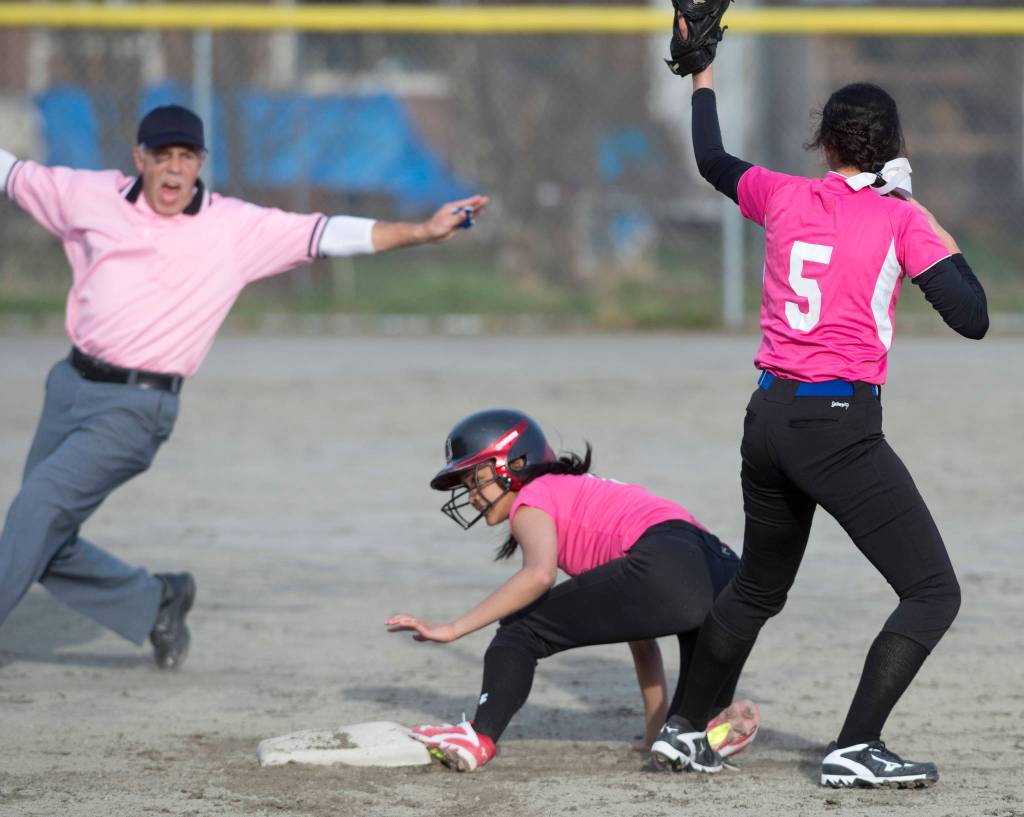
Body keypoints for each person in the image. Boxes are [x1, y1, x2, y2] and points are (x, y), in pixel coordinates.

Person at [0, 103, 488, 669]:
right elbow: (11, 172)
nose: (175, 169)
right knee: (39, 535)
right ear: (140, 159)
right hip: (68, 386)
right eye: (163, 156)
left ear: (201, 162)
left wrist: (421, 232)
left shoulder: (232, 228)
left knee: (36, 510)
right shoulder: (88, 195)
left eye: (187, 156)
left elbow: (326, 233)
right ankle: (156, 599)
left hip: (136, 409)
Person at [655, 47, 988, 788]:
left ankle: (682, 728)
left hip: (768, 417)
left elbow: (711, 158)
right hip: (837, 427)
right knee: (933, 591)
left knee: (755, 588)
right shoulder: (899, 218)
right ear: (894, 147)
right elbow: (973, 315)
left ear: (826, 145)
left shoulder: (781, 194)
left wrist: (702, 75)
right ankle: (856, 744)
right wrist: (917, 208)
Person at [385, 408, 760, 771]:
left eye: (474, 480)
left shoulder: (532, 499)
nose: (471, 496)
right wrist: (652, 734)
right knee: (683, 730)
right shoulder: (579, 493)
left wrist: (453, 629)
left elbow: (538, 576)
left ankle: (478, 738)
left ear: (512, 464)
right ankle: (702, 732)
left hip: (667, 560)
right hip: (722, 569)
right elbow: (642, 638)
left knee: (518, 631)